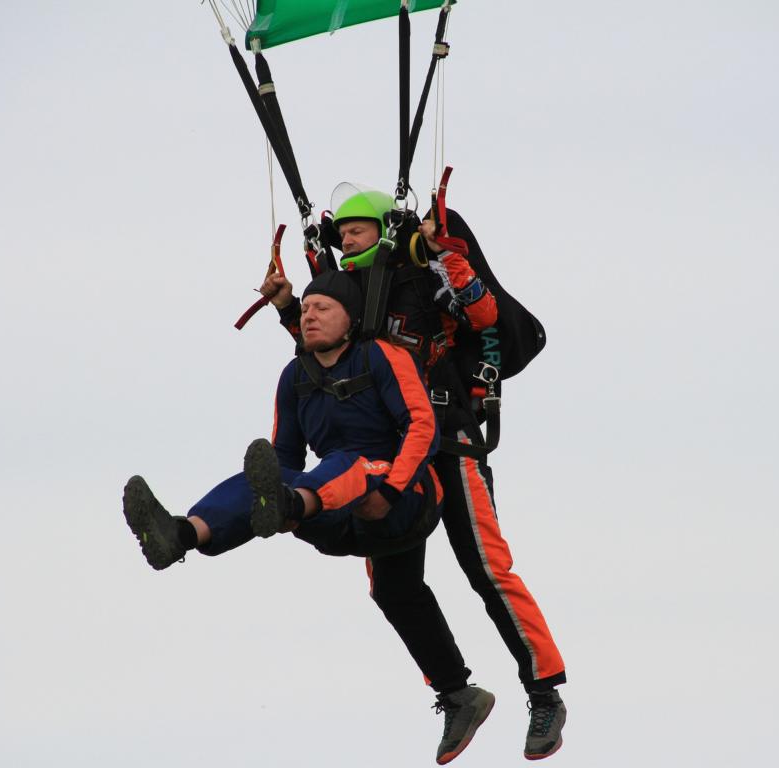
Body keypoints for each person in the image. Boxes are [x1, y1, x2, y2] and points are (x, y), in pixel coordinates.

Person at [123, 271, 494, 764]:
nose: (310, 315)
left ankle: (292, 505)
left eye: (322, 308)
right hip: (335, 512)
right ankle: (183, 534)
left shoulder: (382, 357)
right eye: (306, 308)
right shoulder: (294, 376)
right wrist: (277, 493)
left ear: (350, 319)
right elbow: (281, 459)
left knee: (347, 467)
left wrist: (392, 490)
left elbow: (421, 428)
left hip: (402, 497)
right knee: (275, 482)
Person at [261, 186, 568, 760]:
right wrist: (287, 309)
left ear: (384, 229)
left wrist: (446, 253)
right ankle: (456, 694)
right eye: (341, 232)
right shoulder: (349, 295)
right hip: (392, 451)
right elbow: (331, 354)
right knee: (392, 586)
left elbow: (484, 315)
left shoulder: (426, 276)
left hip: (448, 438)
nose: (345, 239)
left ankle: (544, 690)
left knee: (485, 566)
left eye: (356, 229)